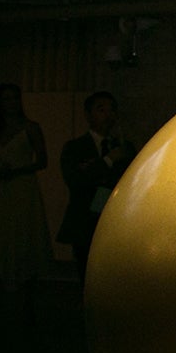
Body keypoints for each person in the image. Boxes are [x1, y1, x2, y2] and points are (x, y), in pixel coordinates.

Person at [0, 83, 54, 323]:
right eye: (6, 99)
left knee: (23, 235)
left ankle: (28, 302)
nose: (11, 103)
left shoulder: (30, 128)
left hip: (22, 188)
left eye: (14, 98)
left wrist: (17, 170)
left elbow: (42, 160)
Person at [56, 91, 135, 283]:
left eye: (112, 110)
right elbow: (75, 180)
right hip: (85, 218)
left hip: (115, 217)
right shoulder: (75, 147)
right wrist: (108, 160)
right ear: (88, 114)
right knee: (86, 270)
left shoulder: (125, 147)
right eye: (101, 110)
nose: (108, 115)